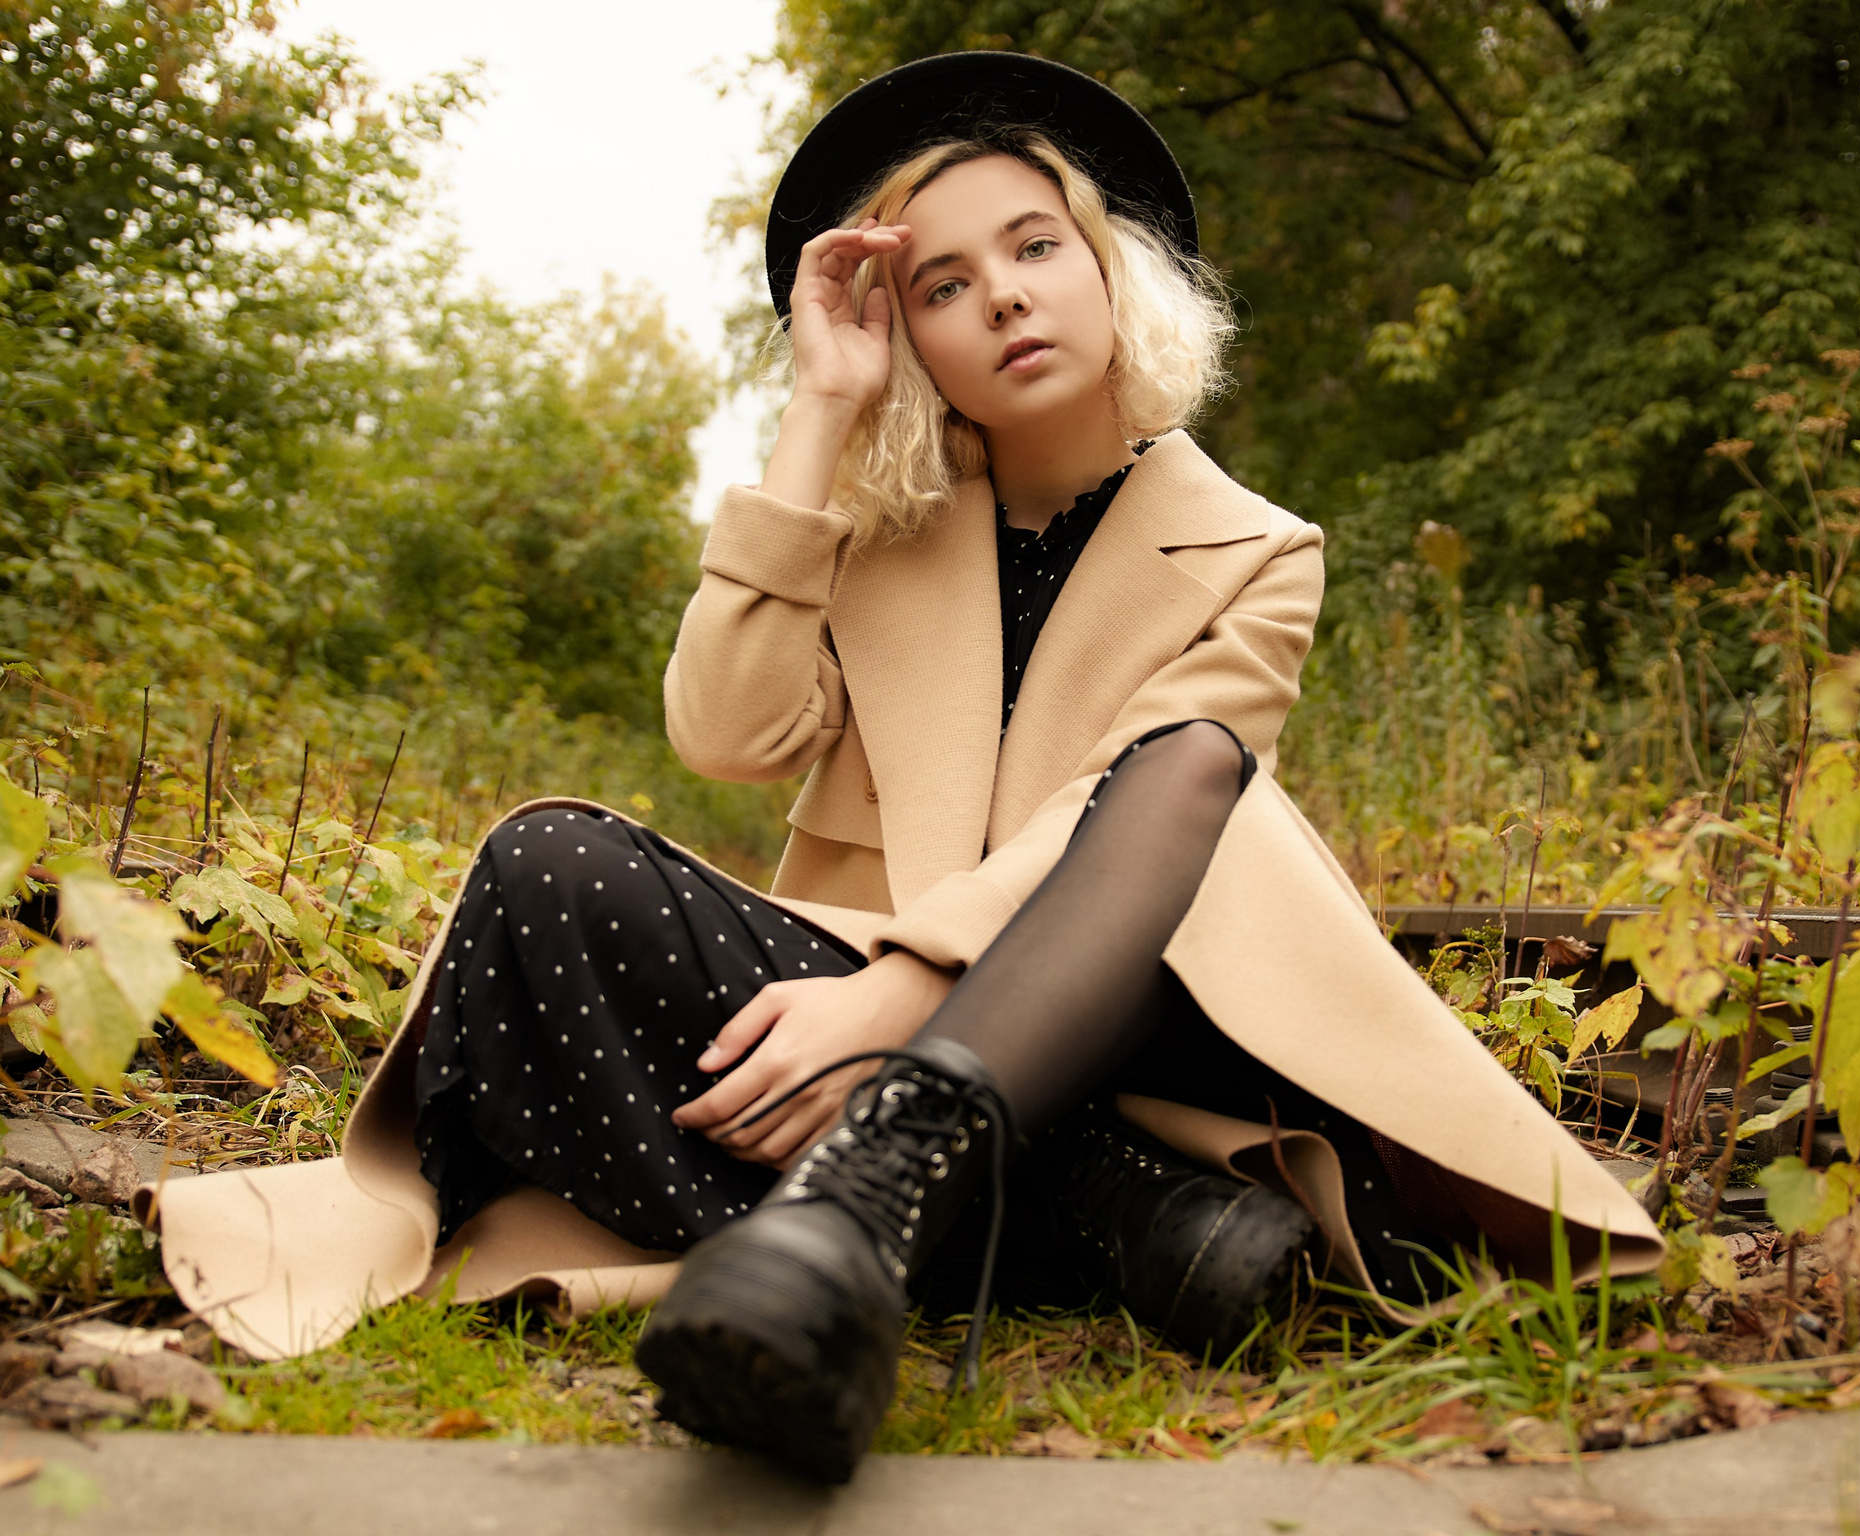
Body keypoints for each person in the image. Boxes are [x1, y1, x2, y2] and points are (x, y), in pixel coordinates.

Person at [134, 51, 1662, 1488]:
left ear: (1109, 270)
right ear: (911, 335)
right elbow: (724, 734)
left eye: (1036, 247)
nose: (1002, 294)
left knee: (1190, 769)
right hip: (879, 1022)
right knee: (543, 864)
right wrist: (821, 412)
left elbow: (1137, 810)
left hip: (1139, 1028)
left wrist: (901, 992)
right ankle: (1095, 1217)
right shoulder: (872, 540)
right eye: (942, 284)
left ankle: (934, 1188)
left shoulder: (1256, 550)